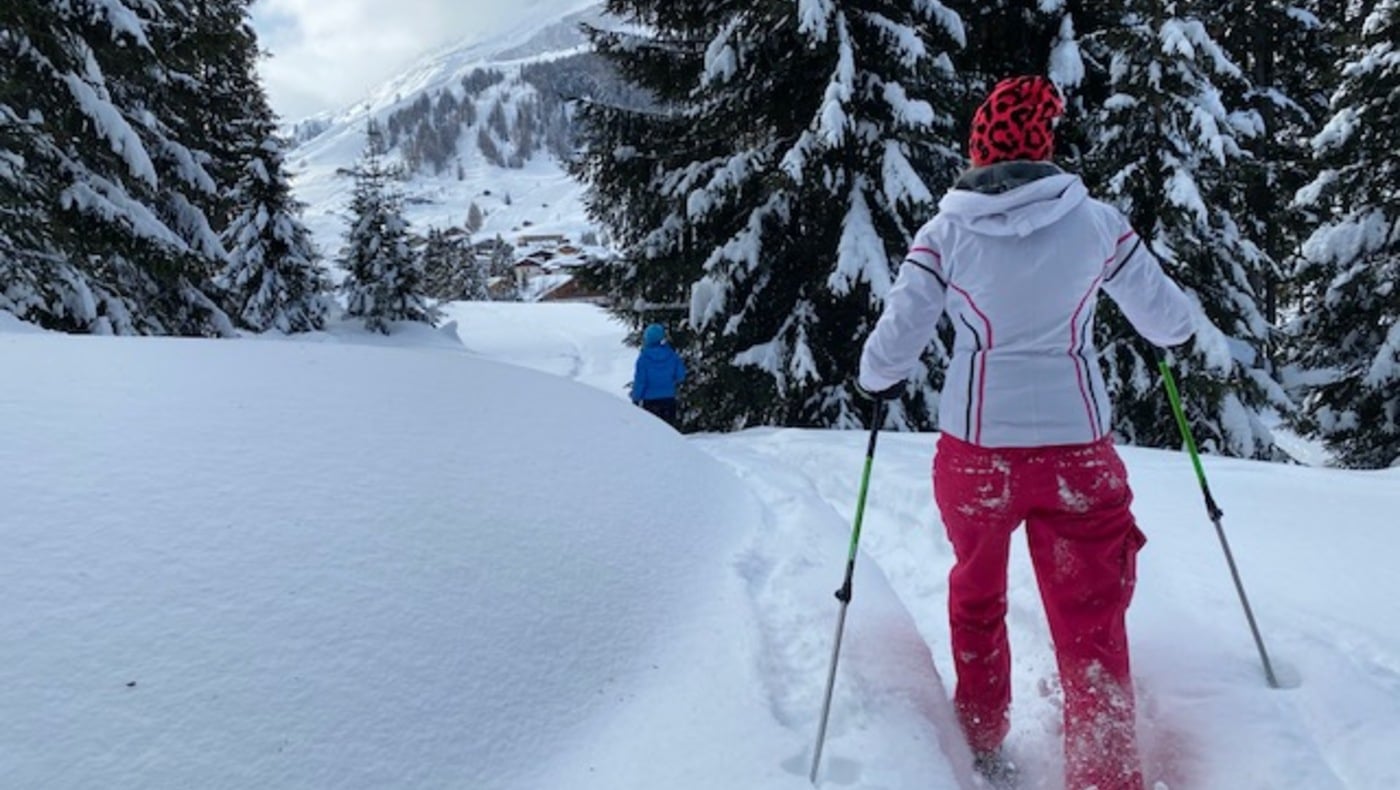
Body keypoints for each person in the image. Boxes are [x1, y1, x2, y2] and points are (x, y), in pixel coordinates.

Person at [857, 75, 1195, 790]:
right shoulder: (1097, 224)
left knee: (977, 596)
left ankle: (980, 736)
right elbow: (1171, 323)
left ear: (978, 149)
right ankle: (1104, 774)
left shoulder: (944, 234)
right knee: (1091, 618)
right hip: (1078, 455)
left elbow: (886, 356)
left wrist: (878, 380)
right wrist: (1176, 341)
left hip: (976, 455)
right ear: (1044, 146)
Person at [631, 323, 686, 427]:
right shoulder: (672, 355)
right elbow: (680, 376)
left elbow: (640, 381)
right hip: (669, 399)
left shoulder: (643, 359)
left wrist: (636, 398)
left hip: (650, 402)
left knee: (653, 431)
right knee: (669, 430)